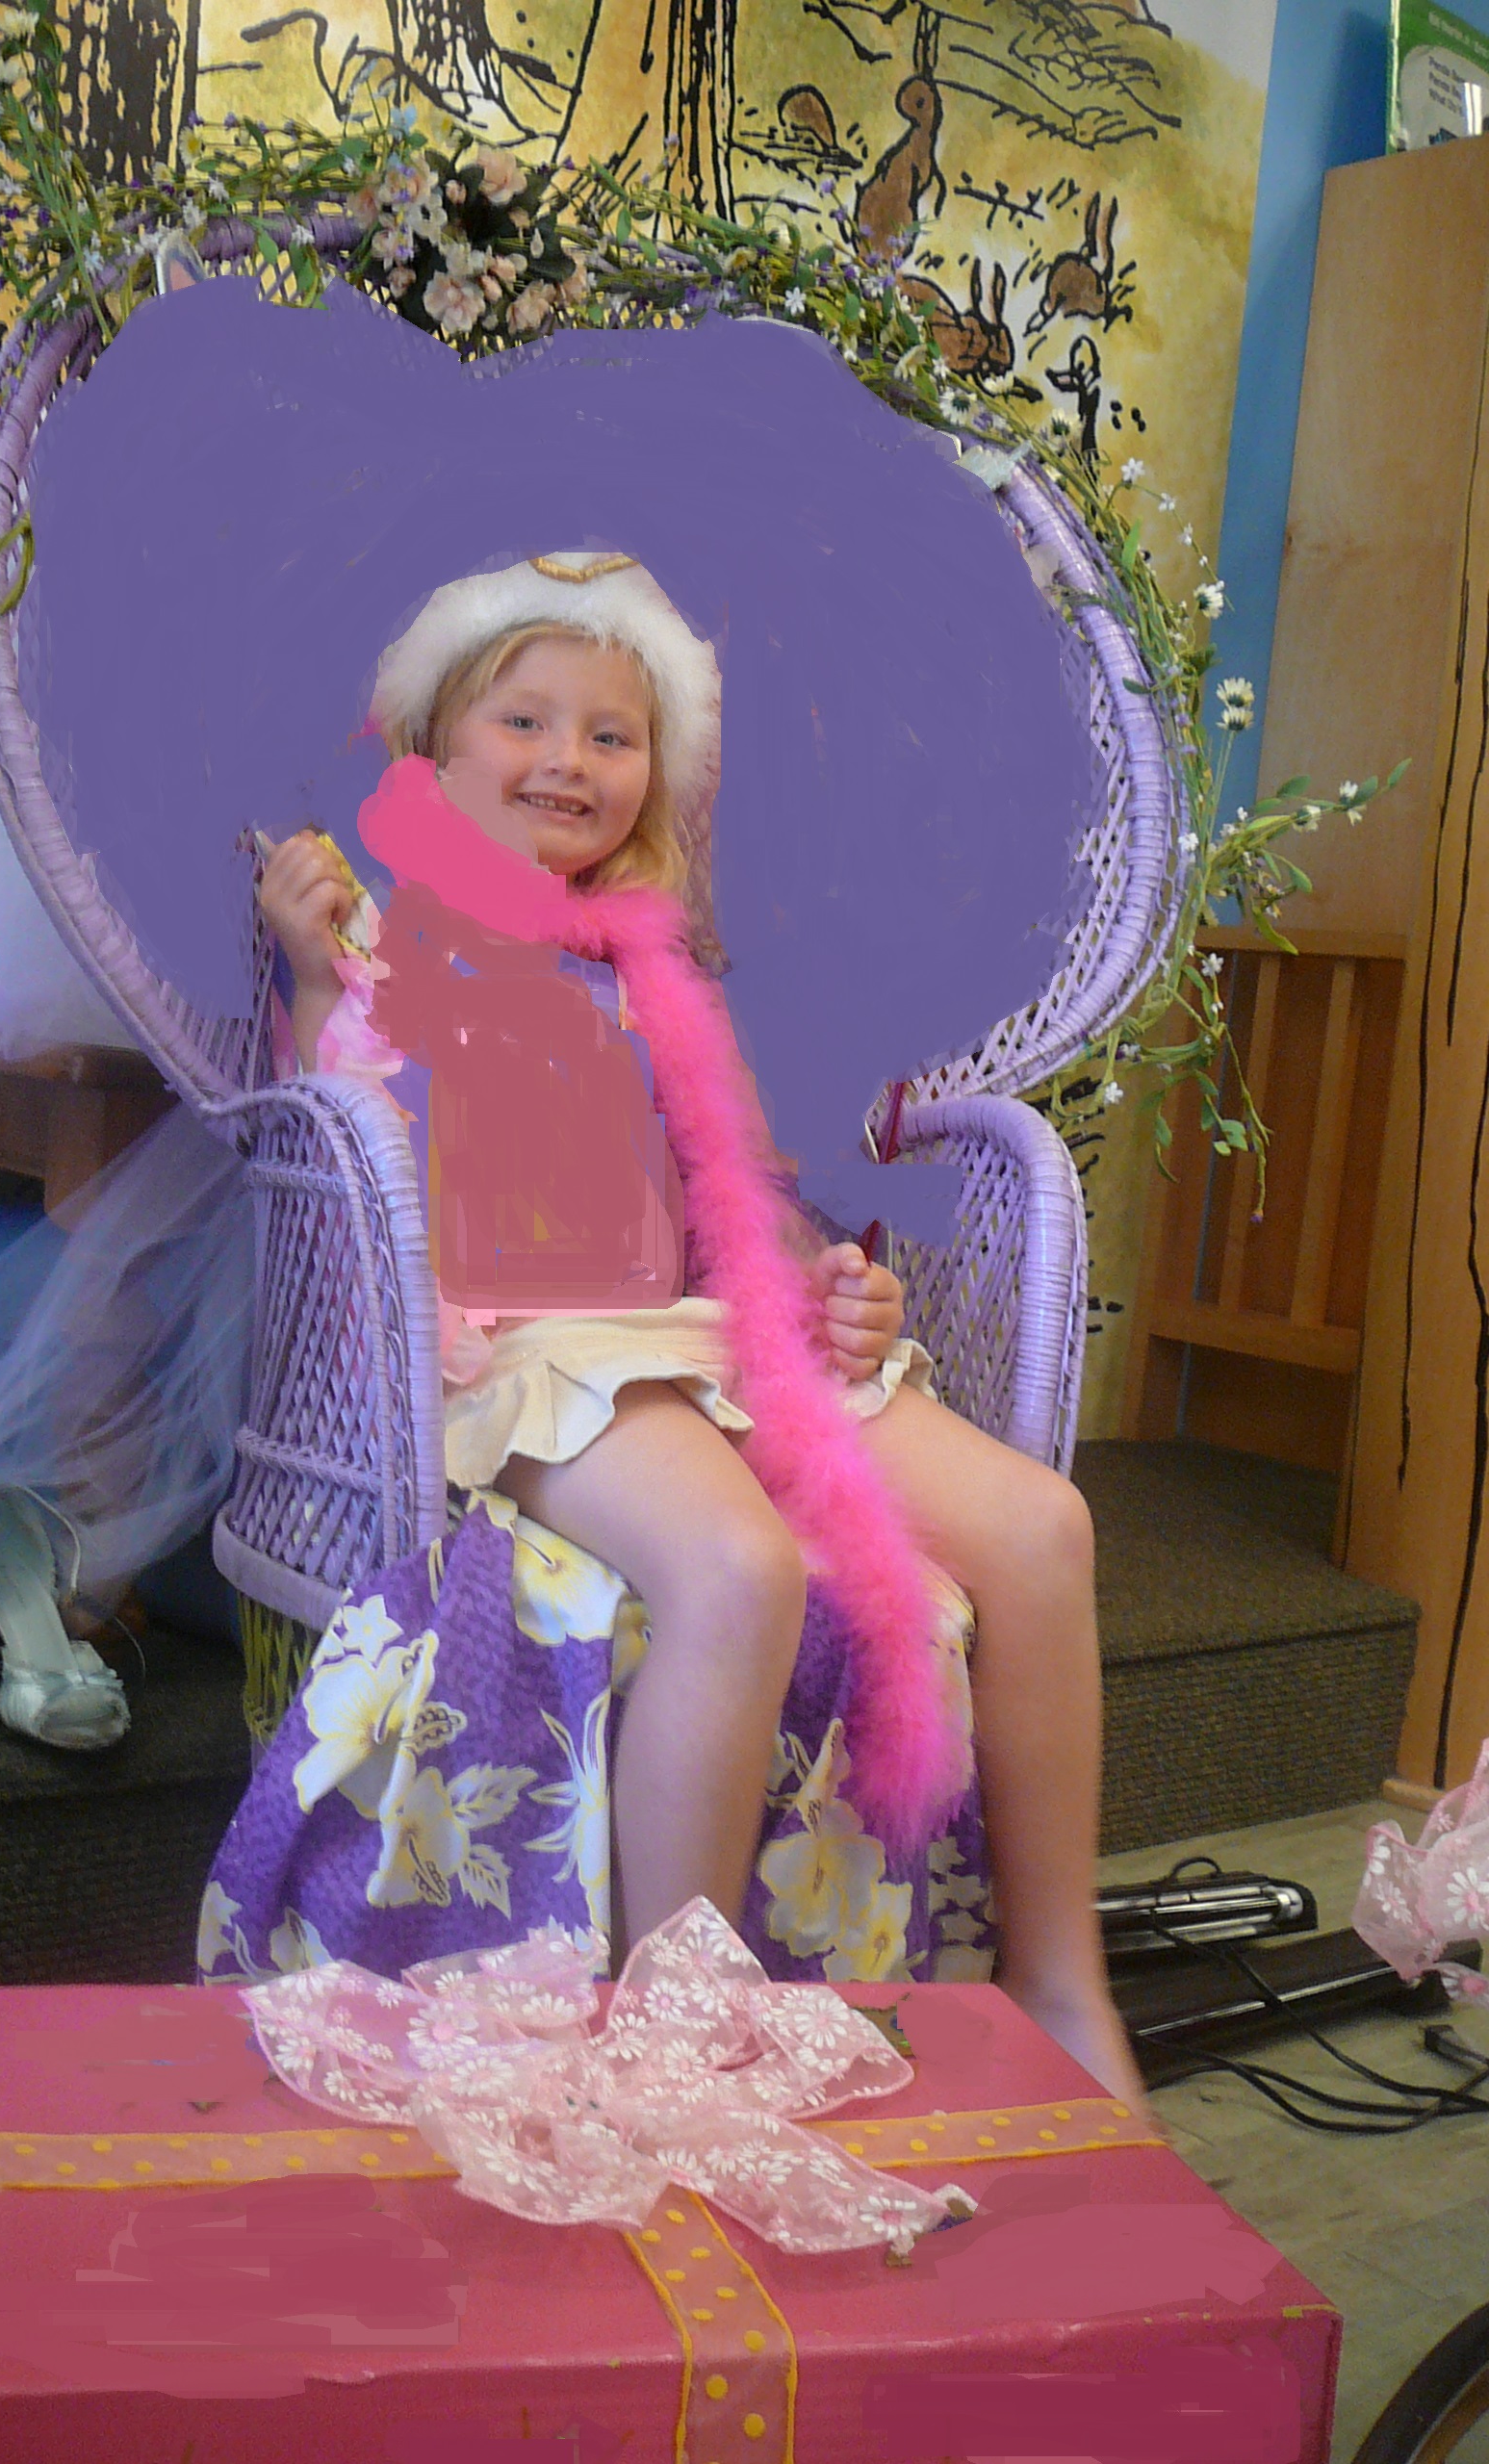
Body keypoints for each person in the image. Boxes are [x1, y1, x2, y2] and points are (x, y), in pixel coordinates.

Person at [254, 554, 1144, 2111]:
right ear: (435, 748)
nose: (569, 760)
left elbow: (731, 1202)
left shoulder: (651, 969)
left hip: (695, 1335)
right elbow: (338, 1147)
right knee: (740, 1565)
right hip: (525, 1350)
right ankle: (678, 2008)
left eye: (613, 734)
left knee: (1041, 1526)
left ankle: (1060, 1974)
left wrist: (831, 1291)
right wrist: (312, 965)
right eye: (525, 720)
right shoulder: (387, 938)